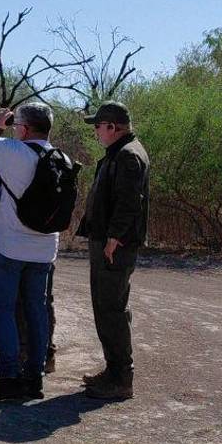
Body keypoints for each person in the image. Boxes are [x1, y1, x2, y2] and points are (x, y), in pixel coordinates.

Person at [0, 103, 62, 402]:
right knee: (36, 311)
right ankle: (35, 377)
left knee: (3, 311)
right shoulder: (60, 157)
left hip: (9, 246)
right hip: (44, 249)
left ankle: (8, 377)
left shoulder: (13, 152)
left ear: (24, 128)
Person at [77, 101, 150, 401]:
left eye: (98, 126)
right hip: (107, 241)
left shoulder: (129, 155)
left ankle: (121, 378)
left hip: (114, 246)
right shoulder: (120, 153)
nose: (96, 131)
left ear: (112, 127)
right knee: (106, 306)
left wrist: (114, 238)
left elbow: (130, 201)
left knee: (111, 308)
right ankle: (114, 371)